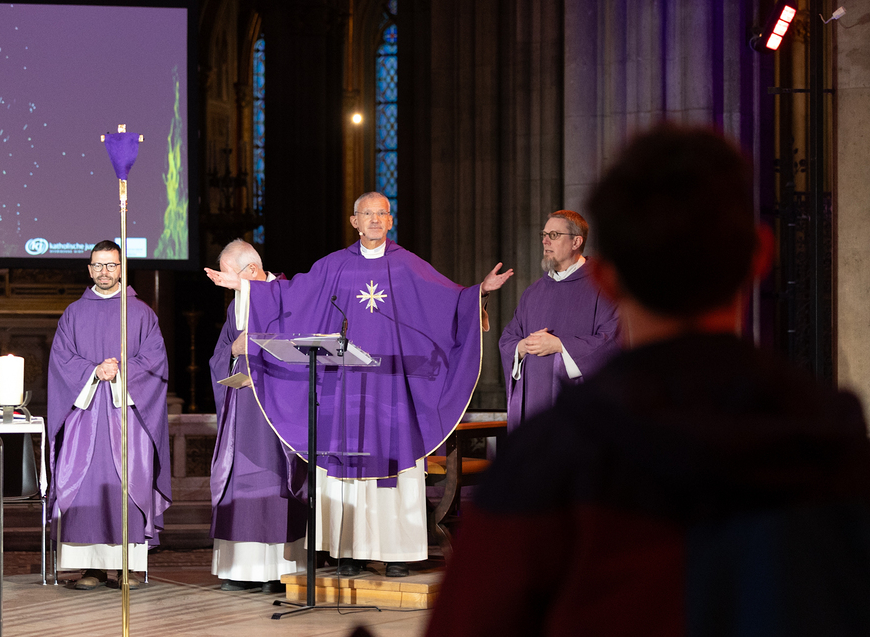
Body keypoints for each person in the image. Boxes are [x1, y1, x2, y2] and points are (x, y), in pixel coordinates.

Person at [425, 124, 870, 636]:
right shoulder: (837, 452)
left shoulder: (543, 464)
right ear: (760, 256)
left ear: (606, 277)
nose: (546, 241)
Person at [206, 192, 512, 578]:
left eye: (382, 213)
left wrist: (479, 292)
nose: (375, 219)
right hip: (344, 387)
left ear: (390, 220)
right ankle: (348, 551)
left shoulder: (408, 266)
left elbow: (447, 300)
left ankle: (398, 554)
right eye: (367, 213)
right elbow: (291, 294)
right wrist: (245, 286)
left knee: (394, 465)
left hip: (391, 387)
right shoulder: (334, 267)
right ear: (354, 221)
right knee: (345, 462)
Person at [47, 240, 171, 590]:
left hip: (127, 415)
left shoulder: (142, 313)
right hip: (84, 417)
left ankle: (127, 567)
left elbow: (155, 361)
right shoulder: (73, 313)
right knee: (84, 485)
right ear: (89, 270)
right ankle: (92, 568)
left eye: (111, 265)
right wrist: (93, 370)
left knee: (126, 484)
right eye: (98, 265)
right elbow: (61, 360)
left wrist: (121, 371)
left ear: (122, 268)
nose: (104, 271)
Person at [209, 239, 307, 593]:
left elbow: (301, 348)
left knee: (273, 481)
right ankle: (240, 570)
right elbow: (221, 353)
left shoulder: (289, 296)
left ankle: (278, 571)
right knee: (240, 483)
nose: (225, 284)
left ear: (251, 270)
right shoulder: (236, 304)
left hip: (278, 409)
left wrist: (266, 374)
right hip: (242, 409)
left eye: (228, 276)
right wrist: (234, 353)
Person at [499, 210, 619, 432]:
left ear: (576, 242)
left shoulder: (602, 286)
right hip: (534, 412)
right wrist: (522, 347)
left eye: (554, 235)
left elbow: (612, 341)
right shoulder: (533, 292)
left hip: (578, 415)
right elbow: (508, 339)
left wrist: (559, 346)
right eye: (544, 234)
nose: (545, 241)